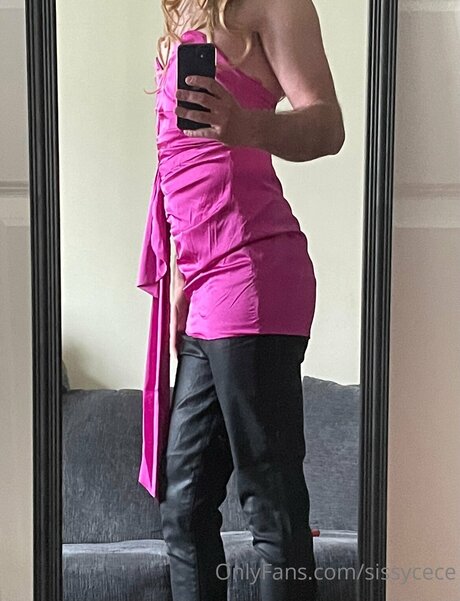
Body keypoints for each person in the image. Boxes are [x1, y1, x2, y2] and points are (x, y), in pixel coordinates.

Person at [136, 1, 345, 600]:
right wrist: (181, 277)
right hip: (205, 282)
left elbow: (327, 126)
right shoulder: (189, 10)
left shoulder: (277, 3)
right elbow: (185, 166)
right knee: (183, 507)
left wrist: (244, 126)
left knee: (270, 503)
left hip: (254, 270)